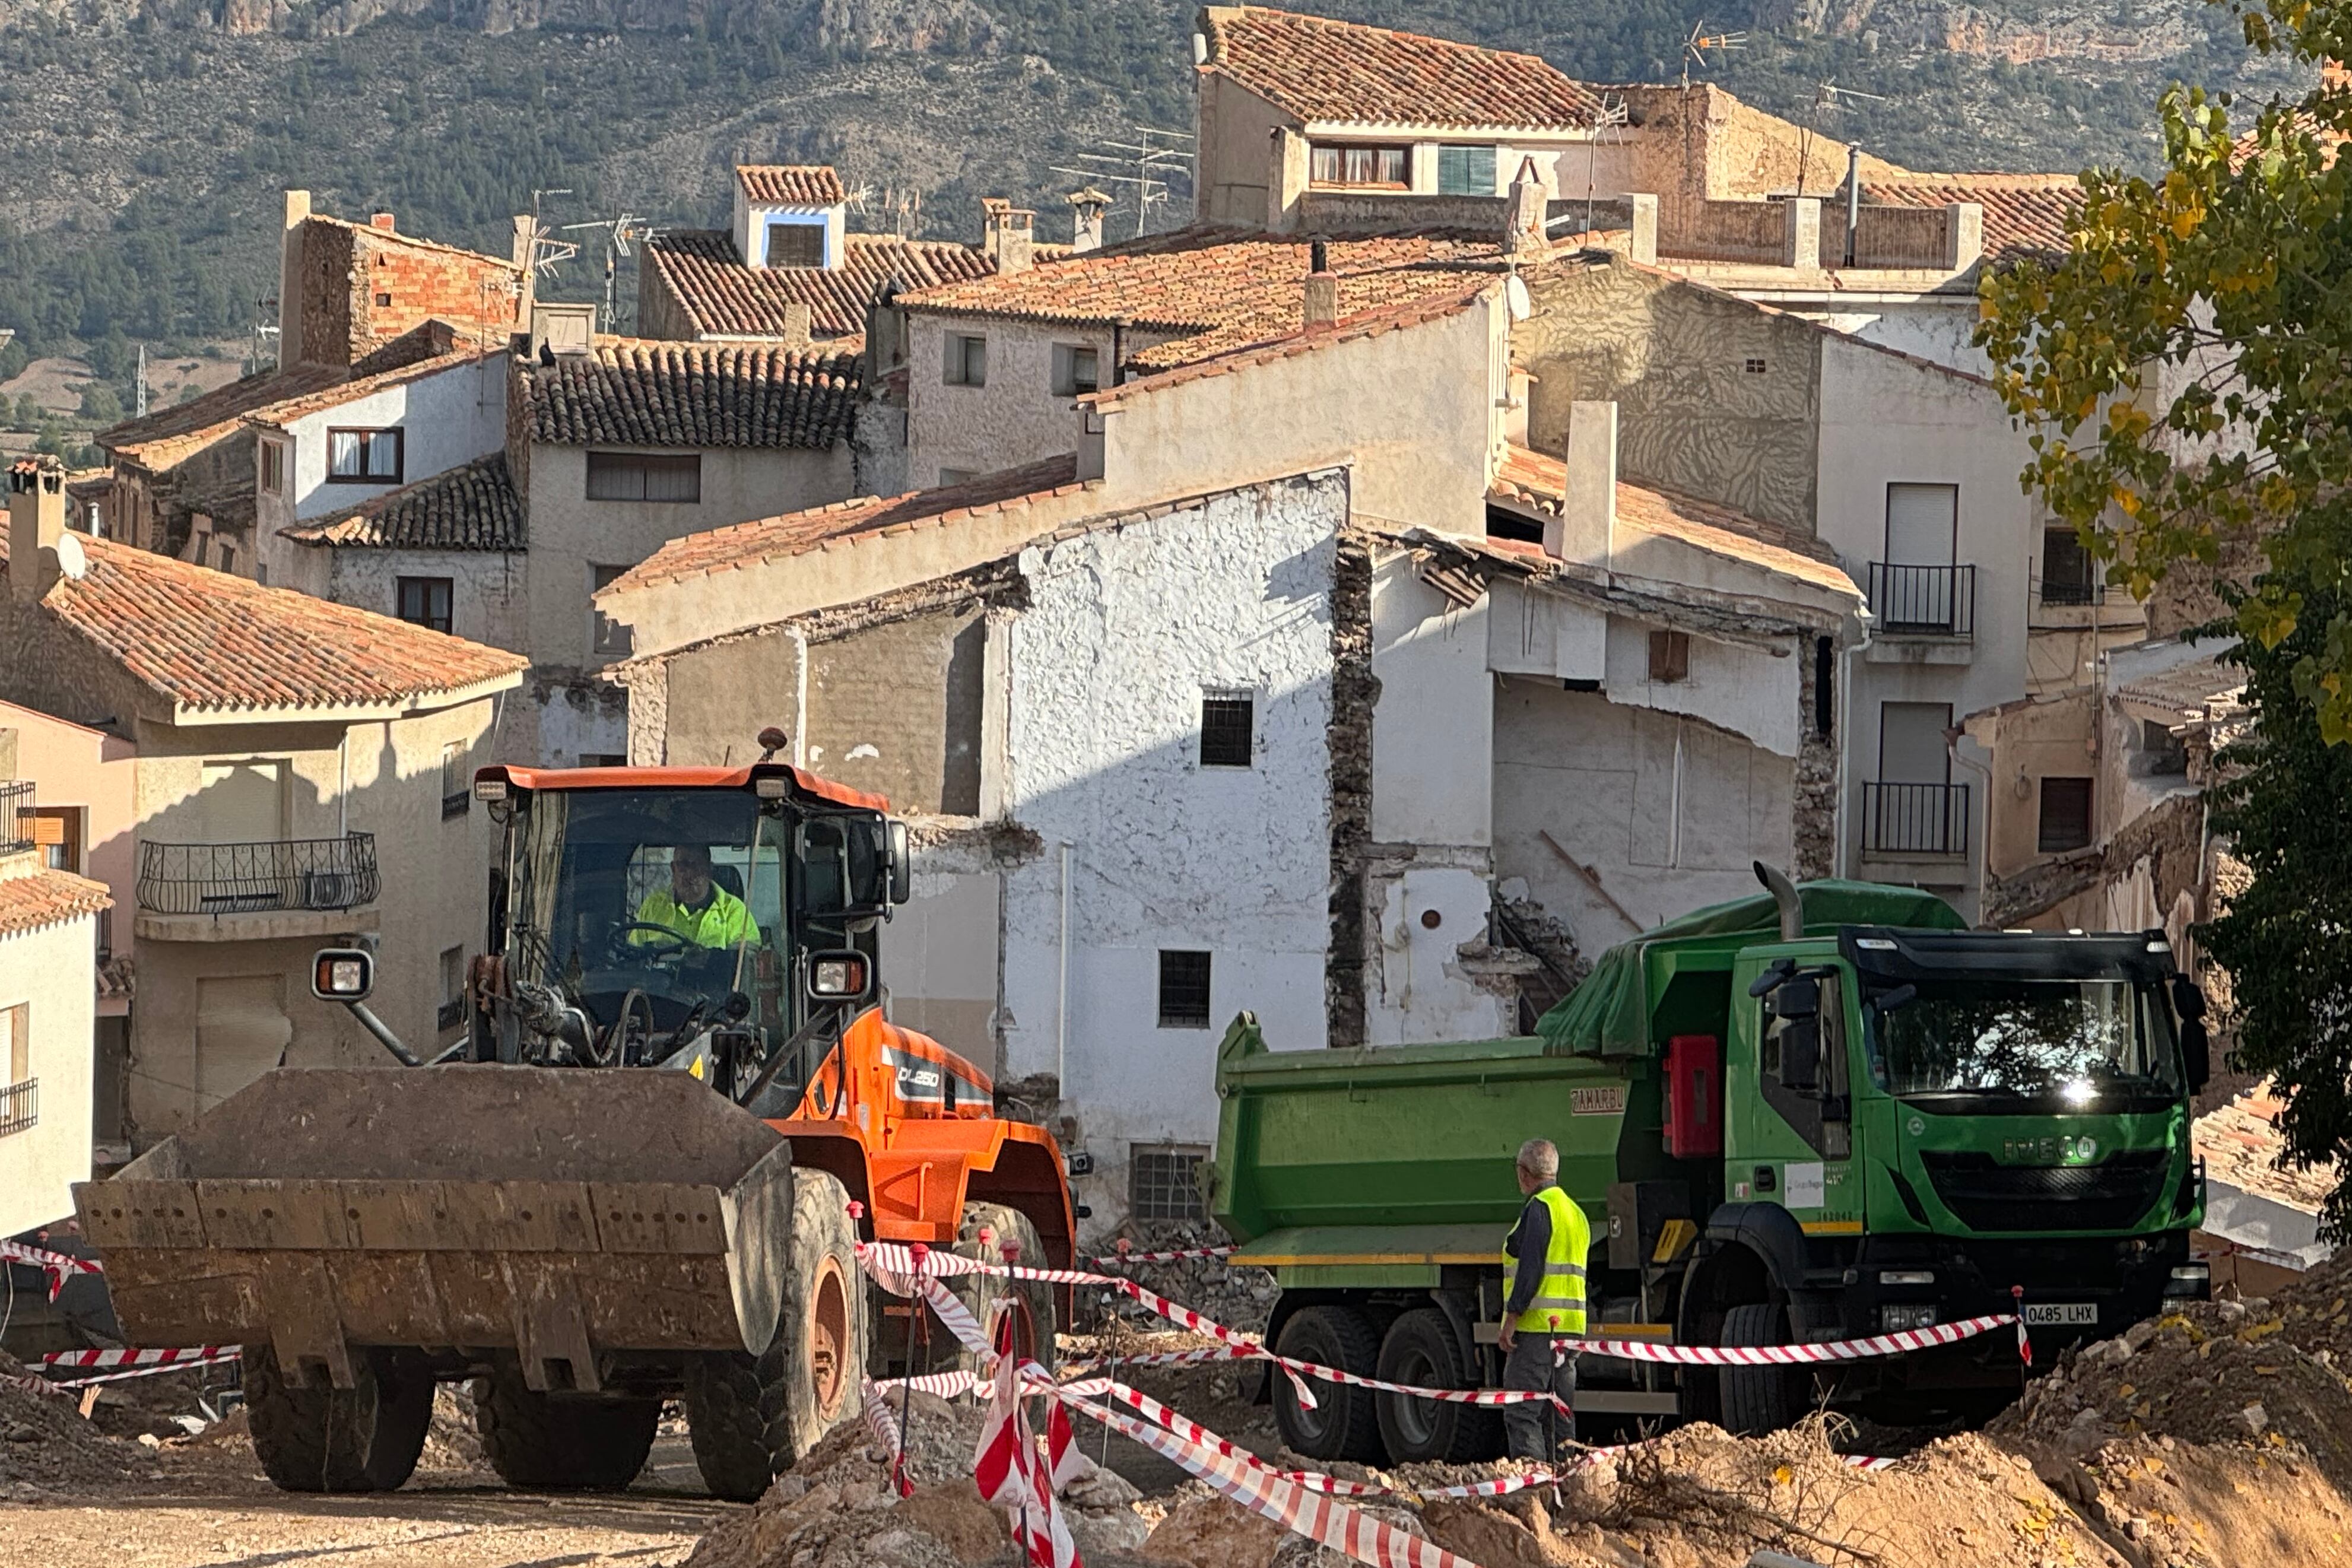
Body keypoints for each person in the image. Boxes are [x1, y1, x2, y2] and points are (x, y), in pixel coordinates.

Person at [1497, 1137, 1589, 1462]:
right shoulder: (1576, 1214)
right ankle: (1565, 1489)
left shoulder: (1539, 1209)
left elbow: (1531, 1269)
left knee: (1522, 1412)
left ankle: (1532, 1492)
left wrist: (1511, 1319)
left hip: (1538, 1331)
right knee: (1559, 1414)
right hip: (1571, 1332)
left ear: (1523, 1173)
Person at [633, 843, 757, 950]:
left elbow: (749, 963)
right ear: (673, 869)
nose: (690, 873)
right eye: (683, 865)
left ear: (709, 870)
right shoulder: (653, 907)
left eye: (697, 865)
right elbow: (632, 953)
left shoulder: (735, 912)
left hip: (716, 977)